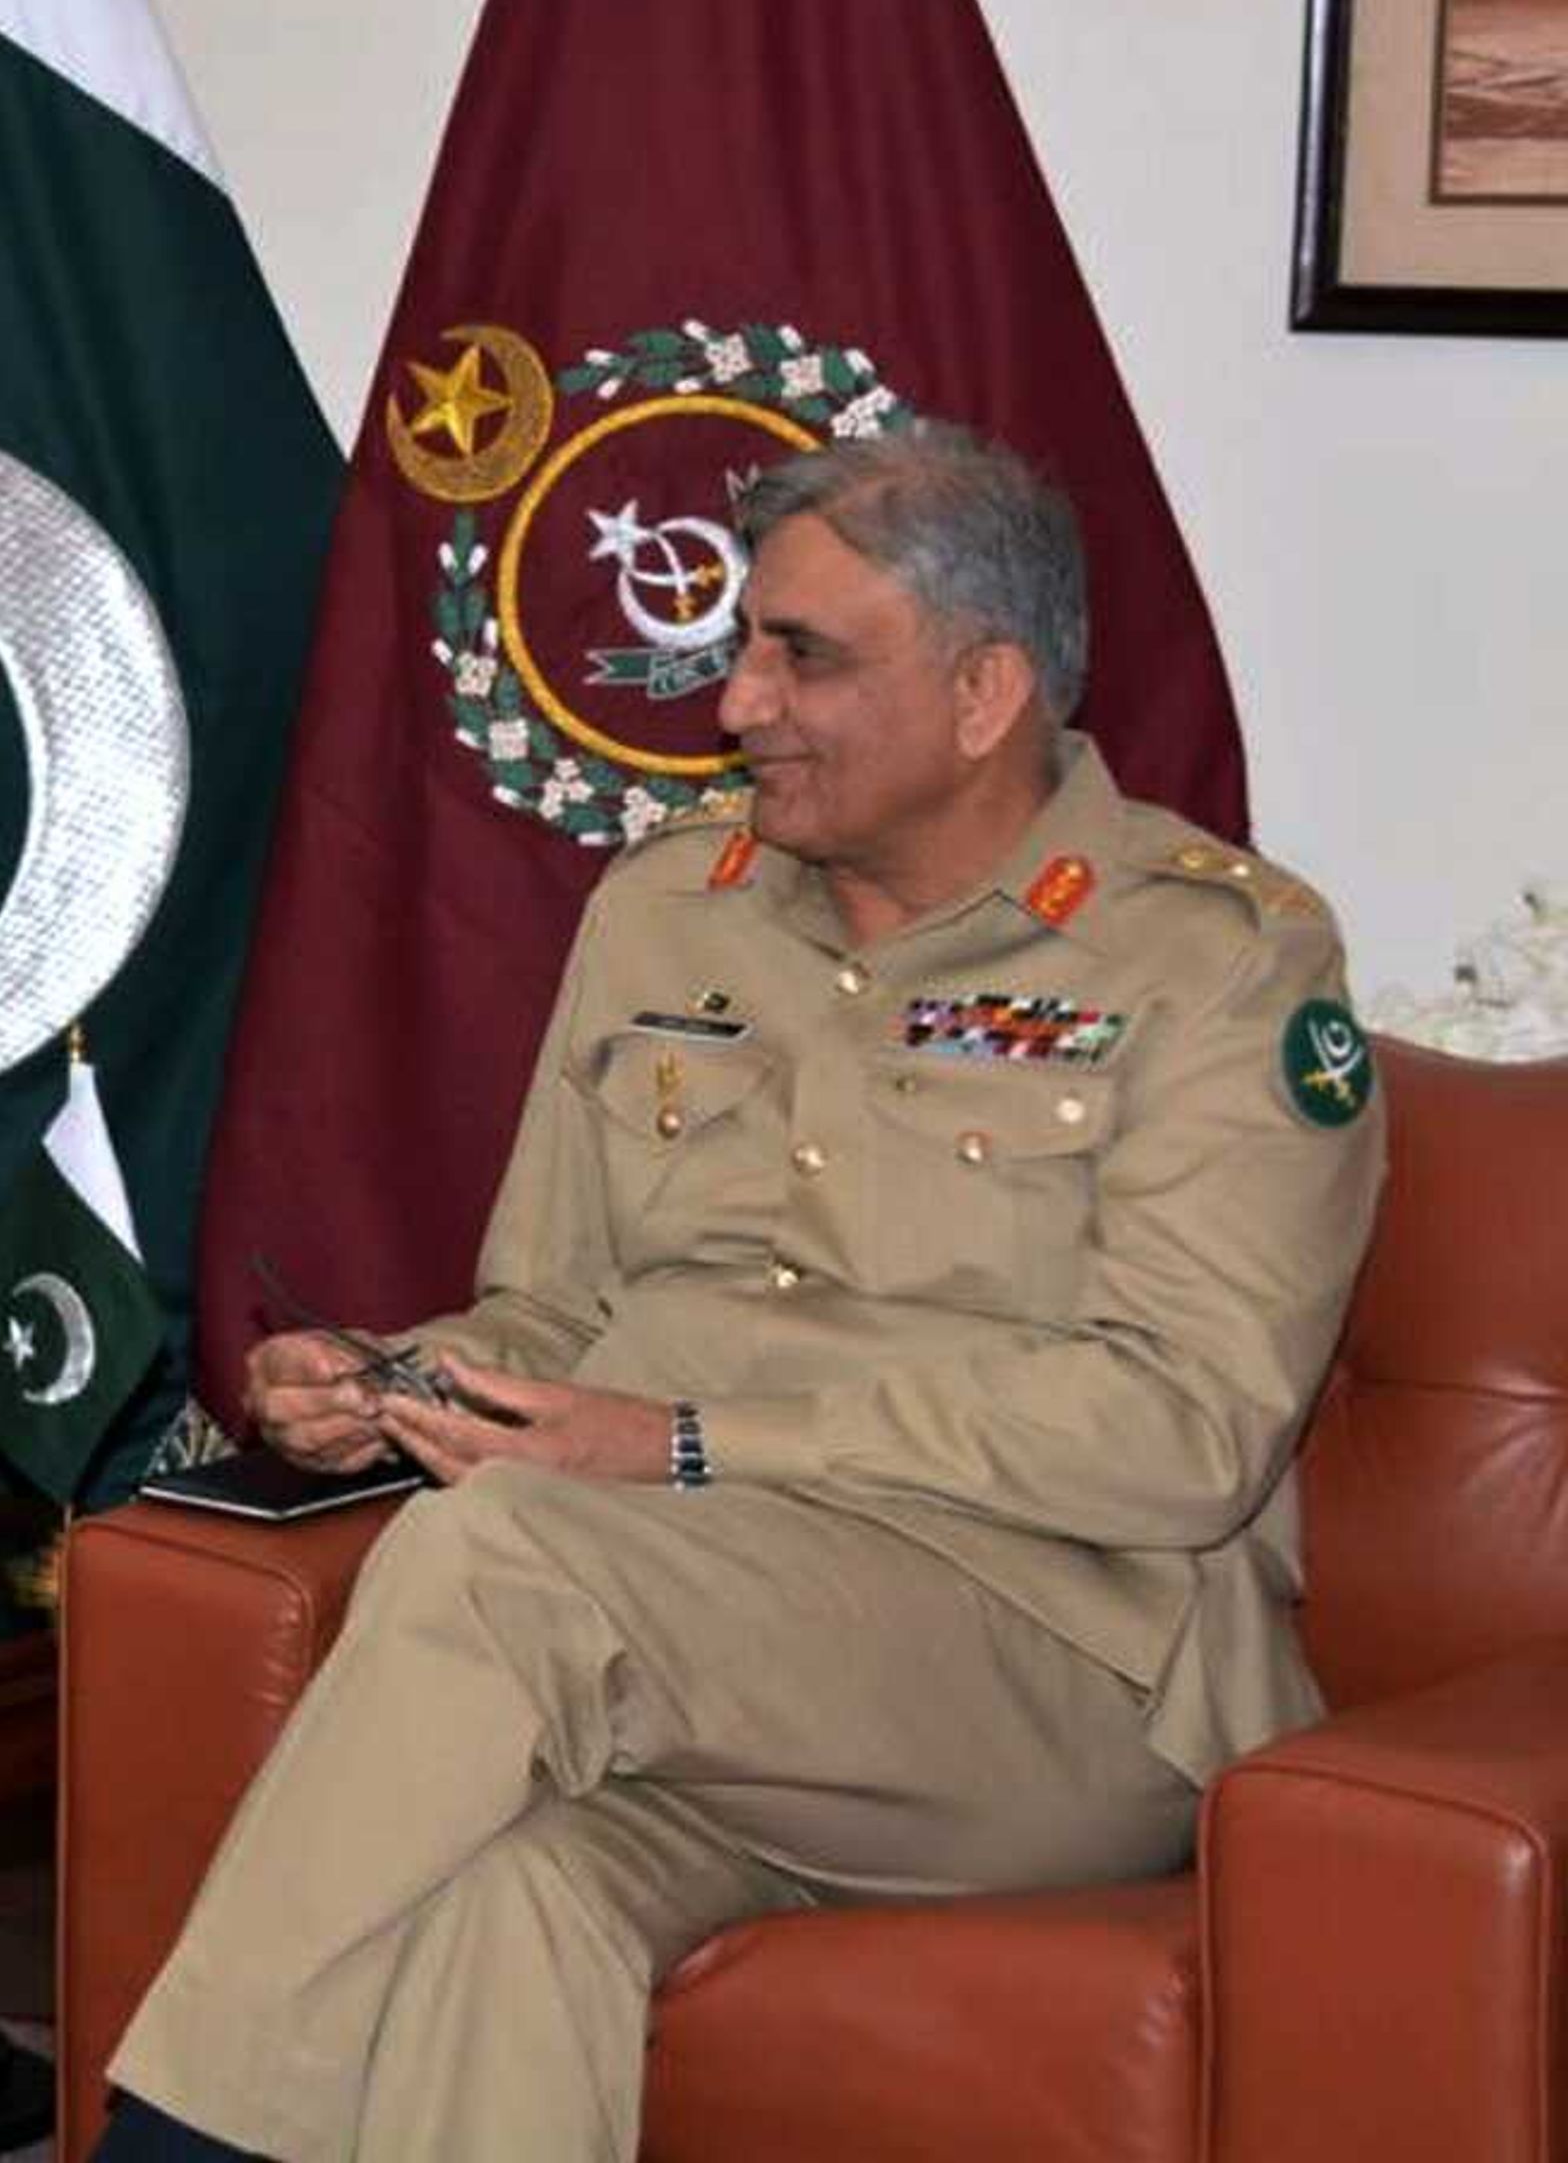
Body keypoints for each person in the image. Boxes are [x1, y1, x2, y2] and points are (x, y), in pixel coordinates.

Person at [98, 422, 1387, 2162]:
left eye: (805, 656)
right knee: (514, 1899)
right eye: (741, 648)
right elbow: (552, 1315)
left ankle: (169, 2141)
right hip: (696, 1644)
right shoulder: (666, 913)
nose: (736, 705)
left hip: (1060, 1671)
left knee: (502, 1554)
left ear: (987, 688)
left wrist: (690, 1447)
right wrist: (404, 1381)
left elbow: (1186, 1432)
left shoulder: (1217, 959)